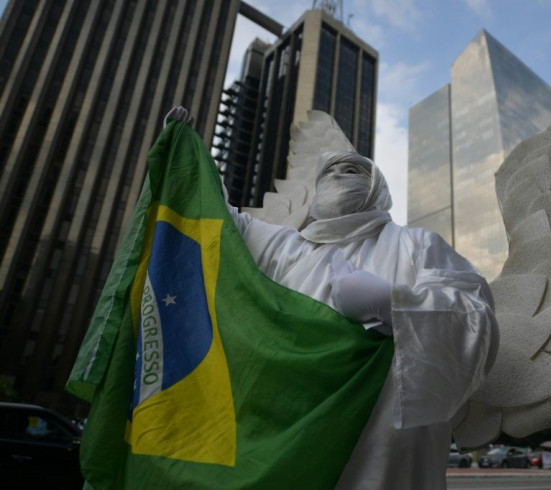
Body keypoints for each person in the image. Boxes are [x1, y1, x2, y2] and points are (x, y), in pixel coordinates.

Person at [166, 108, 499, 489]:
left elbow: (477, 319)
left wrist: (395, 305)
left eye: (353, 171)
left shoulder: (418, 244)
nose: (340, 176)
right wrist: (189, 156)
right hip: (297, 436)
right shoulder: (287, 248)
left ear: (377, 187)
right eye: (330, 172)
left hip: (386, 456)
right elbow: (222, 223)